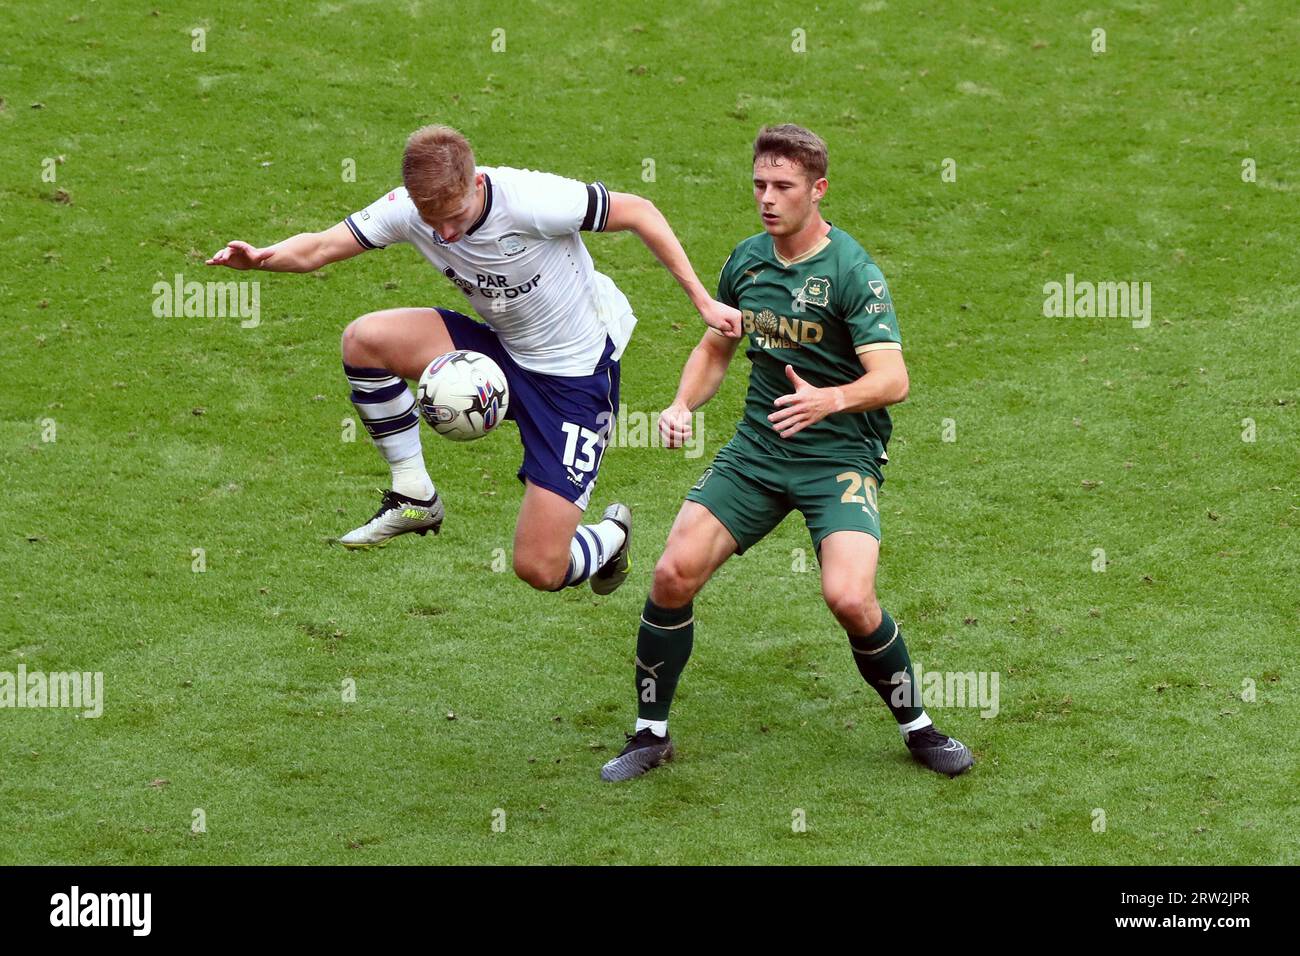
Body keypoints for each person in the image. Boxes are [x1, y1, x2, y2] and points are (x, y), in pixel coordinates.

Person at [208, 125, 741, 594]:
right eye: (430, 219)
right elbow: (321, 248)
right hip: (500, 349)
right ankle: (413, 493)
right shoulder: (409, 209)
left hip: (573, 383)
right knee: (364, 340)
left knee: (539, 569)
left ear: (477, 184)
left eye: (454, 216)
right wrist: (261, 259)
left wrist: (701, 298)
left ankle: (609, 537)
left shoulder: (532, 199)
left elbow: (639, 212)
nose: (442, 233)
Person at [600, 124, 974, 779]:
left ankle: (919, 728)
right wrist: (683, 404)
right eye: (759, 185)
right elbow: (715, 347)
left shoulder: (852, 272)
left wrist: (827, 401)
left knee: (850, 599)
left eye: (783, 186)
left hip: (839, 458)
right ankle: (649, 734)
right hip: (757, 453)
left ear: (818, 189)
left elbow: (894, 380)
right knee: (670, 575)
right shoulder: (746, 261)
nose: (767, 198)